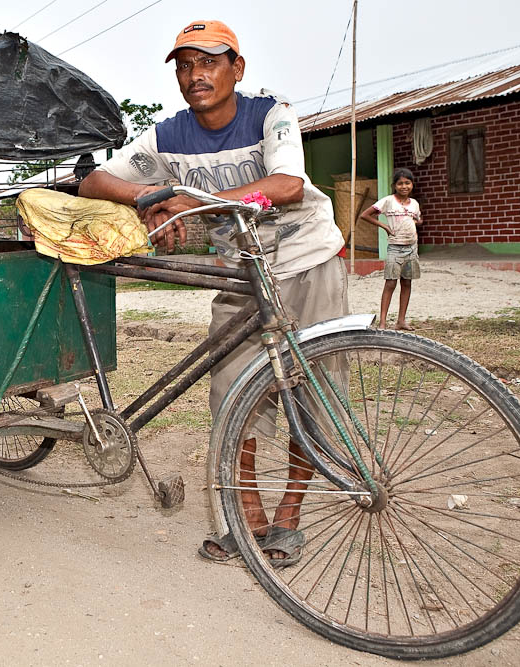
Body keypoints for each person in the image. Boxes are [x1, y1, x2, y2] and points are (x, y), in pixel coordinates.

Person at [78, 20, 349, 566]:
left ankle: (289, 517)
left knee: (314, 391)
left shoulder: (270, 113)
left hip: (307, 260)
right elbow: (93, 183)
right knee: (229, 397)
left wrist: (193, 201)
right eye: (184, 65)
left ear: (236, 69)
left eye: (208, 62)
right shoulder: (168, 135)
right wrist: (151, 195)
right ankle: (244, 519)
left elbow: (287, 185)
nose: (195, 75)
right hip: (240, 272)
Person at [358, 168, 421, 330]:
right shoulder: (388, 201)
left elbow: (417, 219)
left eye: (407, 183)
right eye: (400, 183)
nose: (404, 186)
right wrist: (384, 226)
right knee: (390, 283)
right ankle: (383, 321)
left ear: (412, 184)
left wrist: (415, 222)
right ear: (394, 185)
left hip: (412, 247)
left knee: (407, 282)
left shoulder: (414, 204)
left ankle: (401, 320)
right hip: (395, 248)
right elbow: (365, 215)